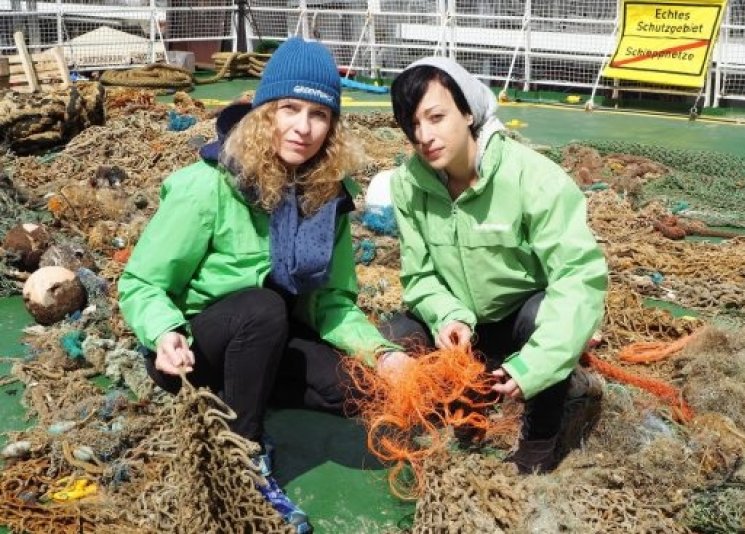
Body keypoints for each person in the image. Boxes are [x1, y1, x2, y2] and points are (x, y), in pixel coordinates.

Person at [118, 37, 402, 532]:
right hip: (190, 353)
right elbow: (141, 283)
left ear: (332, 126)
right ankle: (244, 454)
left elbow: (331, 302)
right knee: (264, 306)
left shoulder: (327, 195)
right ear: (264, 111)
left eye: (319, 114)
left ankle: (251, 387)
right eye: (289, 108)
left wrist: (382, 355)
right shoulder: (206, 186)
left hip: (267, 342)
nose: (303, 127)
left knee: (354, 391)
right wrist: (164, 334)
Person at [380, 57, 608, 474]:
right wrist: (448, 315)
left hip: (521, 322)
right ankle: (465, 395)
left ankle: (539, 438)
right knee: (392, 338)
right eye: (412, 125)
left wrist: (535, 365)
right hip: (464, 331)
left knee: (543, 315)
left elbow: (578, 278)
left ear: (468, 112)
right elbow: (419, 275)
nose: (424, 136)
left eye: (436, 117)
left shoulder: (534, 179)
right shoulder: (406, 185)